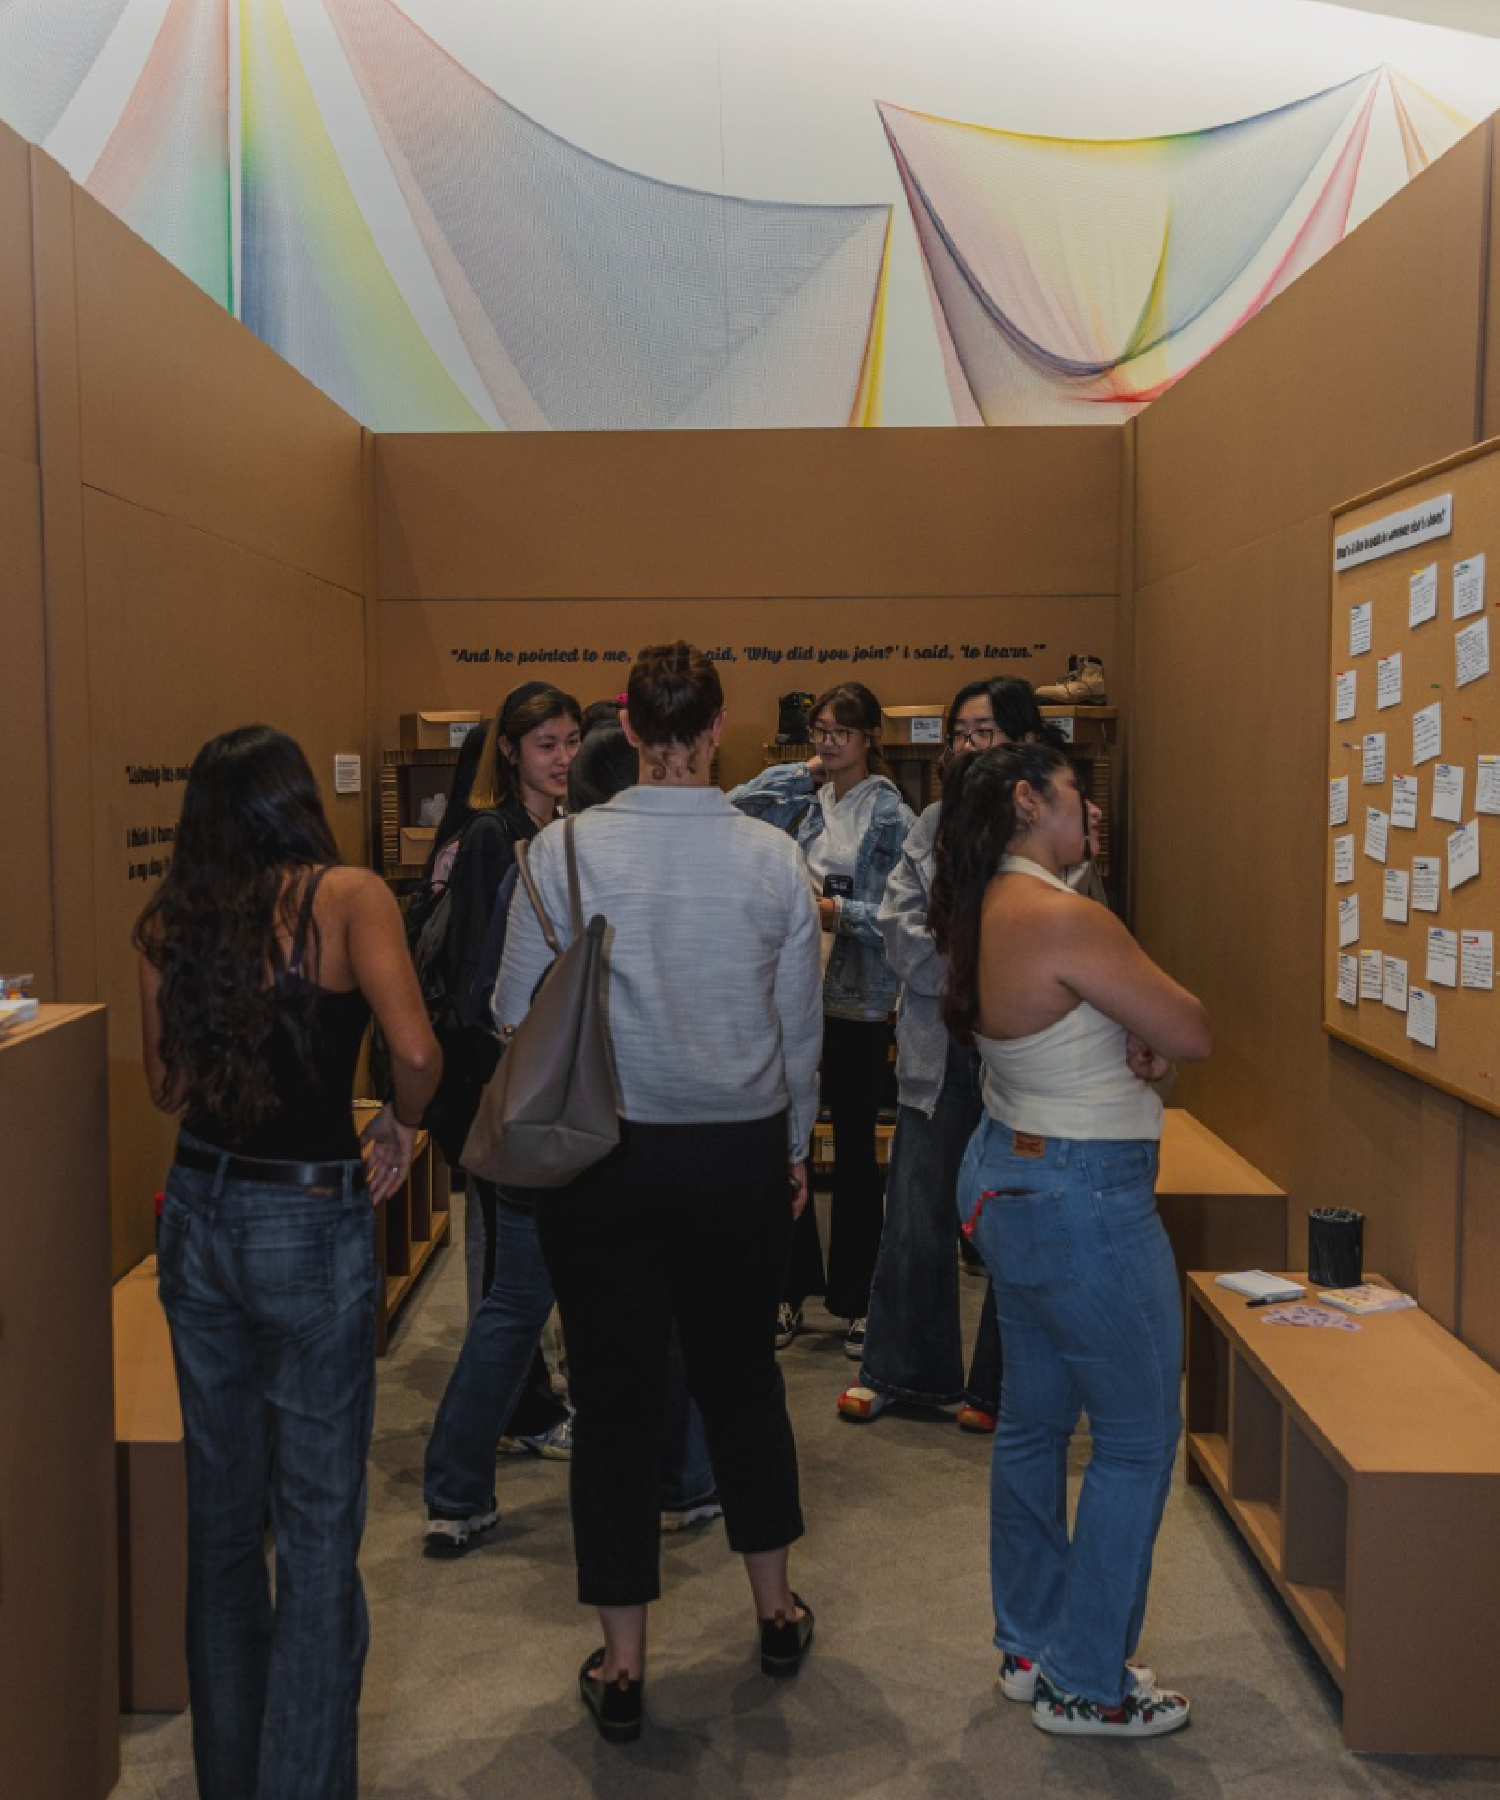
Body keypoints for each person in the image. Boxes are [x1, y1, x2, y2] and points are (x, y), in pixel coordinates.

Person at [496, 642, 821, 1742]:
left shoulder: (560, 854)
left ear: (625, 729)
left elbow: (509, 1016)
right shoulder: (776, 859)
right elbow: (799, 1036)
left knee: (615, 1407)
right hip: (737, 1153)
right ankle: (775, 1611)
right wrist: (796, 1151)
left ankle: (626, 1667)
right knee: (744, 1385)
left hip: (605, 1160)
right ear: (717, 725)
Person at [135, 725, 441, 1800]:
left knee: (222, 1530)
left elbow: (166, 1087)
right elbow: (414, 1051)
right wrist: (402, 1127)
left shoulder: (173, 919)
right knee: (316, 1538)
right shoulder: (349, 897)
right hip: (307, 1218)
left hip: (198, 1212)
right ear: (294, 800)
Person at [930, 740, 1211, 1739]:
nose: (1088, 810)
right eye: (1074, 794)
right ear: (1027, 798)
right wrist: (1151, 1038)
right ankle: (1091, 1682)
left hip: (1016, 1178)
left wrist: (1139, 1039)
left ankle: (1034, 1646)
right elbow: (1190, 1027)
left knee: (1036, 1426)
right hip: (1082, 1196)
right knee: (1137, 1438)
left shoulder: (989, 908)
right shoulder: (1062, 914)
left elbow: (1139, 1039)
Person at [422, 723, 718, 1553]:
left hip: (549, 1124)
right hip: (641, 1122)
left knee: (513, 1308)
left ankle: (454, 1492)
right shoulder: (671, 869)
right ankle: (684, 1481)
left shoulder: (546, 859)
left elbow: (502, 1003)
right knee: (663, 1307)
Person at [839, 678, 1103, 1429]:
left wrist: (986, 963)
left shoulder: (1060, 828)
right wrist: (971, 967)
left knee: (1015, 1215)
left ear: (1025, 741)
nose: (969, 747)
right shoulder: (932, 821)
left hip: (1023, 1050)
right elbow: (896, 922)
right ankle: (905, 1373)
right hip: (936, 1038)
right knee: (917, 1206)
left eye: (985, 733)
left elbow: (1065, 932)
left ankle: (999, 1388)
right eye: (960, 734)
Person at [729, 682, 915, 1357]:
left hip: (861, 997)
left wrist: (841, 915)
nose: (829, 743)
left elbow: (902, 918)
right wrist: (801, 771)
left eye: (842, 732)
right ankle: (788, 1289)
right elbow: (734, 807)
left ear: (870, 738)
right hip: (796, 988)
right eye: (821, 731)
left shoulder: (891, 815)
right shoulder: (804, 803)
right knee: (789, 1140)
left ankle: (861, 1298)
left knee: (861, 1150)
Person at [445, 681, 582, 1453]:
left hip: (536, 1072)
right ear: (510, 752)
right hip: (500, 1073)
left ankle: (522, 1403)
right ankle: (517, 1415)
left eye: (570, 742)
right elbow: (478, 977)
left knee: (523, 1263)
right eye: (545, 745)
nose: (562, 758)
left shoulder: (557, 830)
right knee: (508, 1268)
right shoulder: (494, 838)